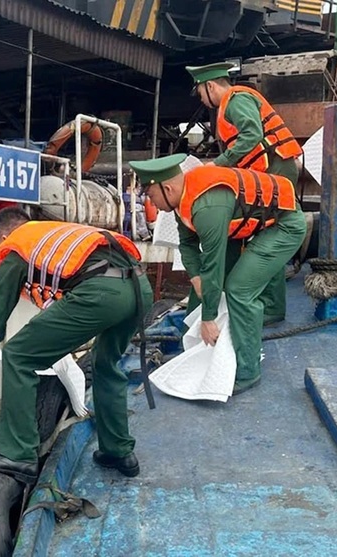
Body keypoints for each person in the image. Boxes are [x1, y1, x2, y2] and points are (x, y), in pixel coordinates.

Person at [0, 207, 153, 481]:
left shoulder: (16, 247)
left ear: (3, 237)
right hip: (140, 287)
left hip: (100, 294)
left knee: (18, 355)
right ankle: (118, 451)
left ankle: (18, 456)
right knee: (105, 364)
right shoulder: (50, 232)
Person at [129, 154, 306, 395]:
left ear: (167, 188)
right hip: (252, 224)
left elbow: (214, 265)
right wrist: (195, 278)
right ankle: (192, 344)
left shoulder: (208, 208)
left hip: (285, 227)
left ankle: (248, 372)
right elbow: (188, 245)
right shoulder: (182, 198)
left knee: (239, 289)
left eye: (151, 197)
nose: (152, 203)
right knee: (205, 283)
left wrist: (209, 319)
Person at [186, 61, 303, 326]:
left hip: (275, 169)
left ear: (210, 86)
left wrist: (220, 164)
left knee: (269, 232)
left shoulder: (235, 100)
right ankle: (269, 304)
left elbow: (251, 134)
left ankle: (271, 307)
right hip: (272, 169)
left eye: (200, 93)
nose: (201, 99)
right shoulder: (234, 101)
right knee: (265, 233)